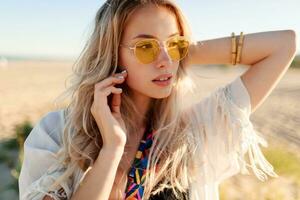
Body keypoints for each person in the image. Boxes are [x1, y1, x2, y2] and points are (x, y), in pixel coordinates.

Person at [18, 0, 297, 200]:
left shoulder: (194, 130)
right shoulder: (59, 133)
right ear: (111, 53)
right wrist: (111, 151)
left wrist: (182, 52)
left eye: (175, 45)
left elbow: (283, 44)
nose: (165, 61)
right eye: (146, 47)